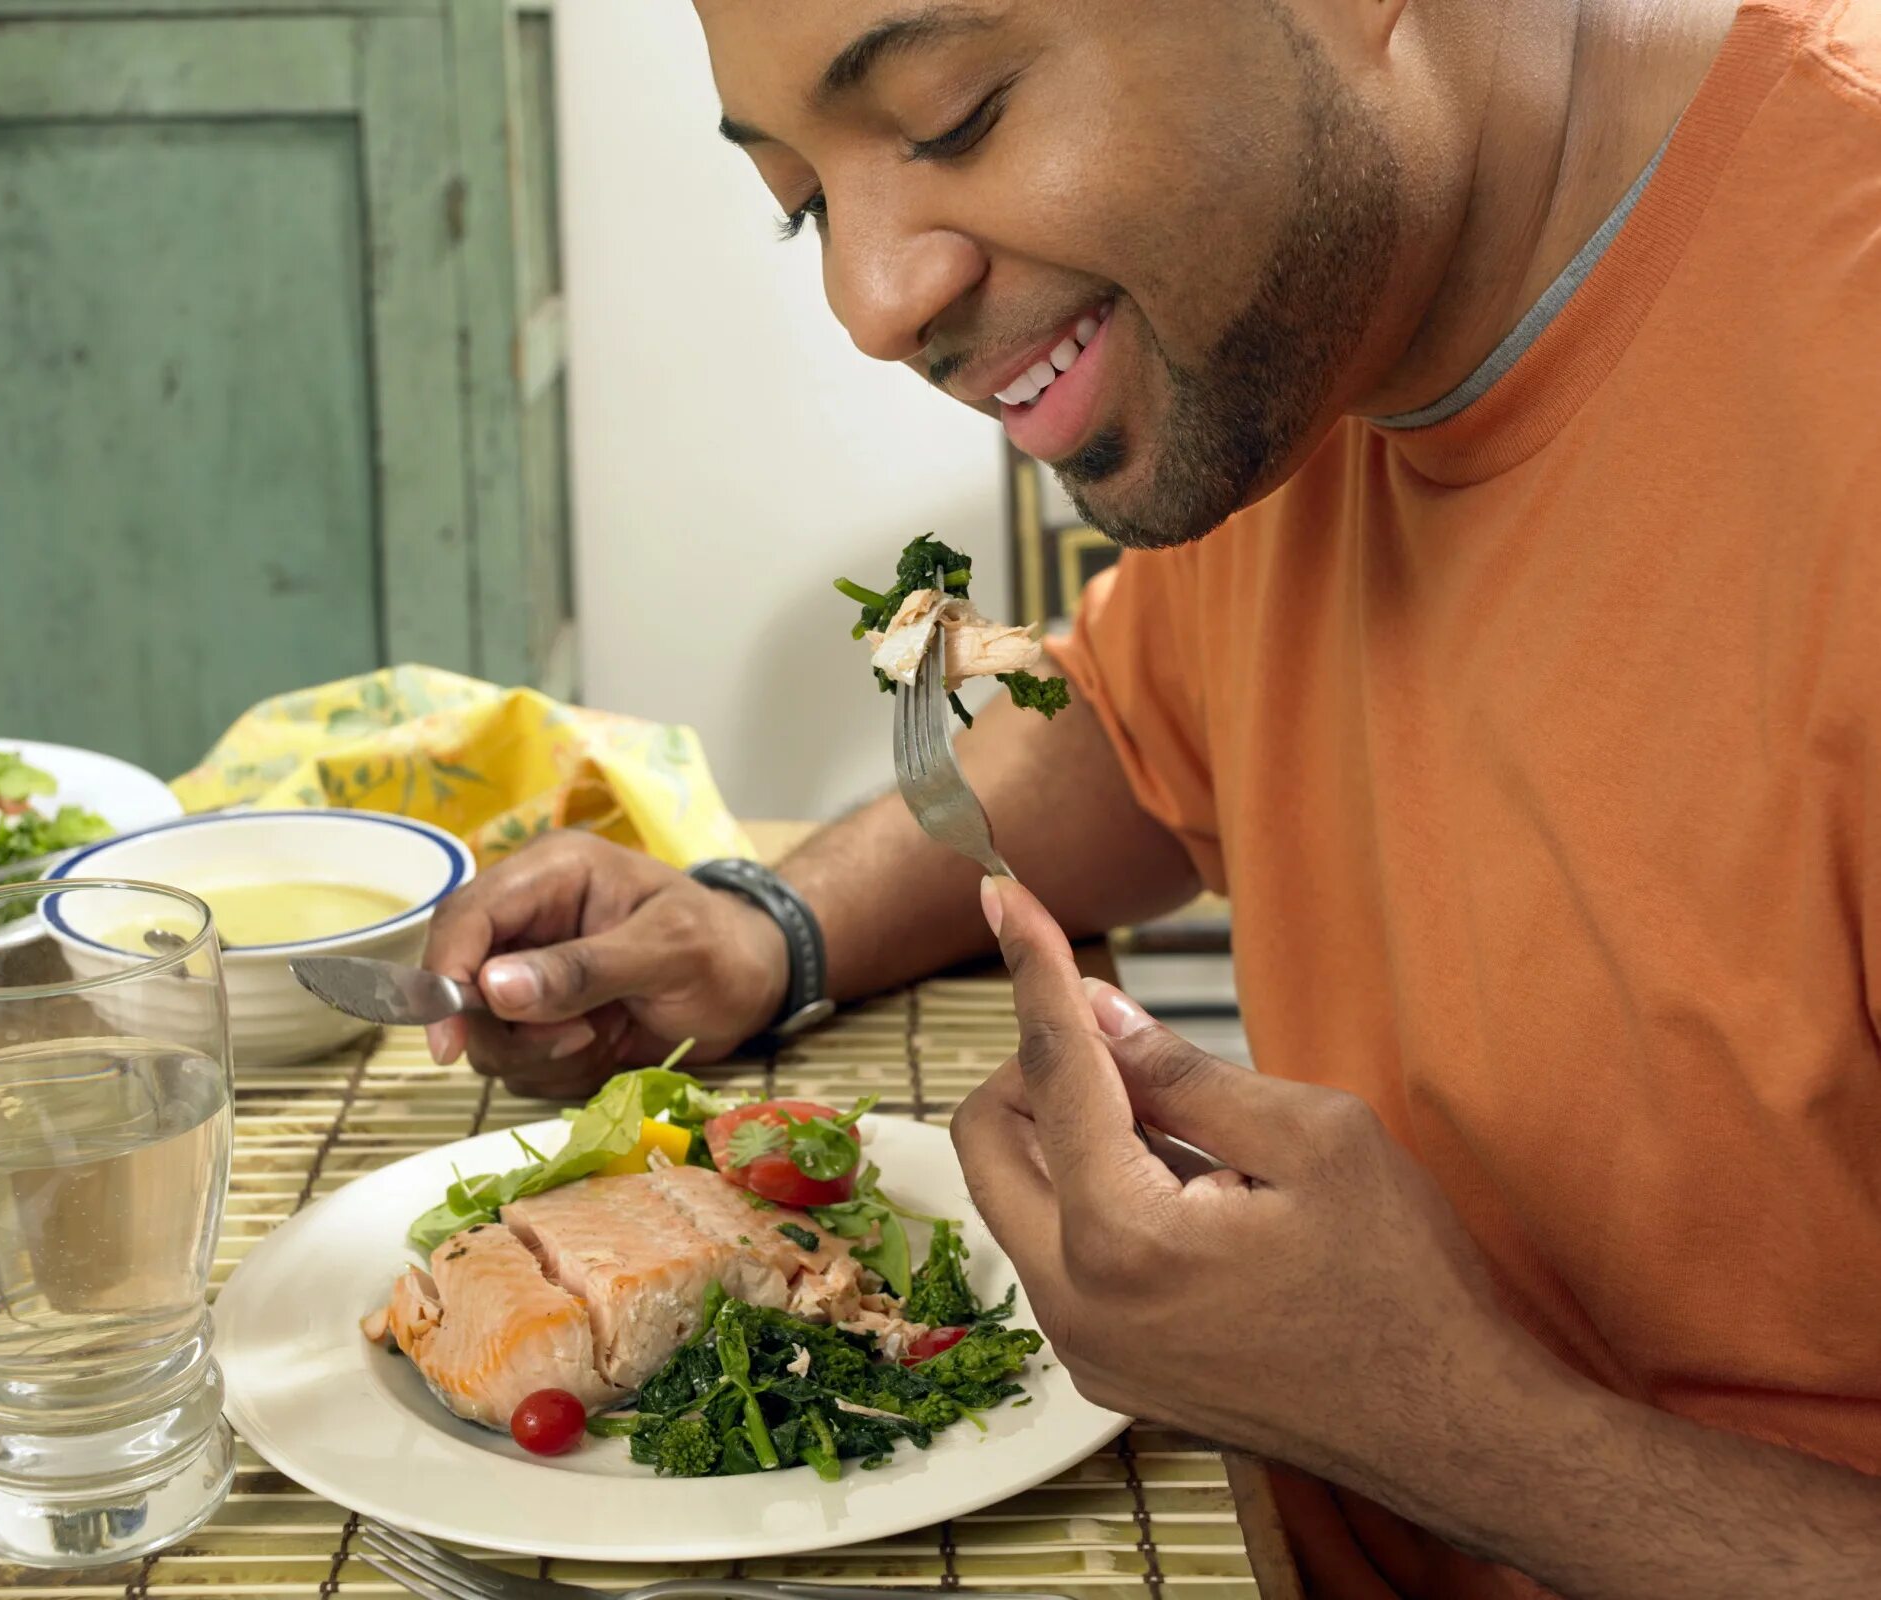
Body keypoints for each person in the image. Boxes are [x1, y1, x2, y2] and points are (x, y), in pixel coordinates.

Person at [423, 0, 1881, 1593]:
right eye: (804, 207)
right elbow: (1132, 728)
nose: (870, 299)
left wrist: (1438, 1419)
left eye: (957, 116)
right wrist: (764, 927)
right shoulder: (1311, 331)